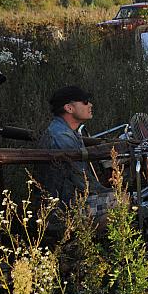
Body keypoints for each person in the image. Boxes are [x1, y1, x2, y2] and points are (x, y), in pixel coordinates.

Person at [35, 86, 113, 221]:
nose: (90, 104)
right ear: (69, 108)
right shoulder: (61, 137)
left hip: (67, 202)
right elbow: (82, 181)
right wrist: (110, 192)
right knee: (124, 201)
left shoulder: (68, 131)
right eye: (85, 101)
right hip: (62, 211)